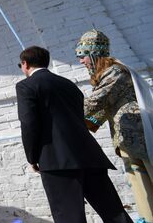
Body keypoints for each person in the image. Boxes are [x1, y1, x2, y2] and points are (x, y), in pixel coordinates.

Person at [16, 45, 132, 222]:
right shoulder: (68, 84)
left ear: (25, 63)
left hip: (57, 160)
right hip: (90, 155)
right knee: (114, 213)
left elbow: (29, 123)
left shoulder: (26, 86)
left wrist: (32, 156)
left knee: (69, 217)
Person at [76, 29, 153, 222]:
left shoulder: (115, 72)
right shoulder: (106, 75)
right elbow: (100, 114)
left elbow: (95, 103)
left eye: (83, 56)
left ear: (94, 54)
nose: (81, 61)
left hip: (141, 137)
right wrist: (80, 126)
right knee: (140, 186)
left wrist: (65, 114)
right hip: (127, 141)